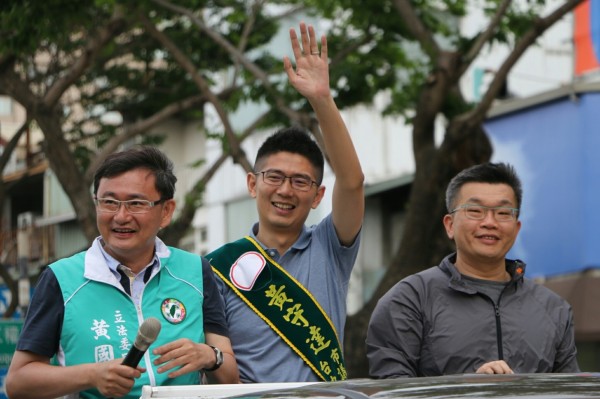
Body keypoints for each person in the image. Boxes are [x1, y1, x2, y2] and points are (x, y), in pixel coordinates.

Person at [6, 146, 240, 399]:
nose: (120, 216)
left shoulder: (195, 270)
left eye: (136, 203)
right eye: (109, 202)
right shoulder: (61, 278)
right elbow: (18, 382)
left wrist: (210, 356)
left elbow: (230, 378)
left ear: (166, 211)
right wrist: (92, 375)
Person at [207, 22, 364, 383]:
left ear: (318, 195)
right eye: (274, 177)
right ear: (252, 183)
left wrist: (321, 99)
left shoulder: (331, 246)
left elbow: (353, 182)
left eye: (300, 181)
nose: (285, 190)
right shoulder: (215, 269)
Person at [366, 162, 579, 378]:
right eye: (475, 211)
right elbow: (391, 389)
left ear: (516, 228)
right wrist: (467, 389)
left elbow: (570, 391)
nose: (490, 222)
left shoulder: (553, 309)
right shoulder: (410, 300)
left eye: (503, 212)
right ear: (450, 225)